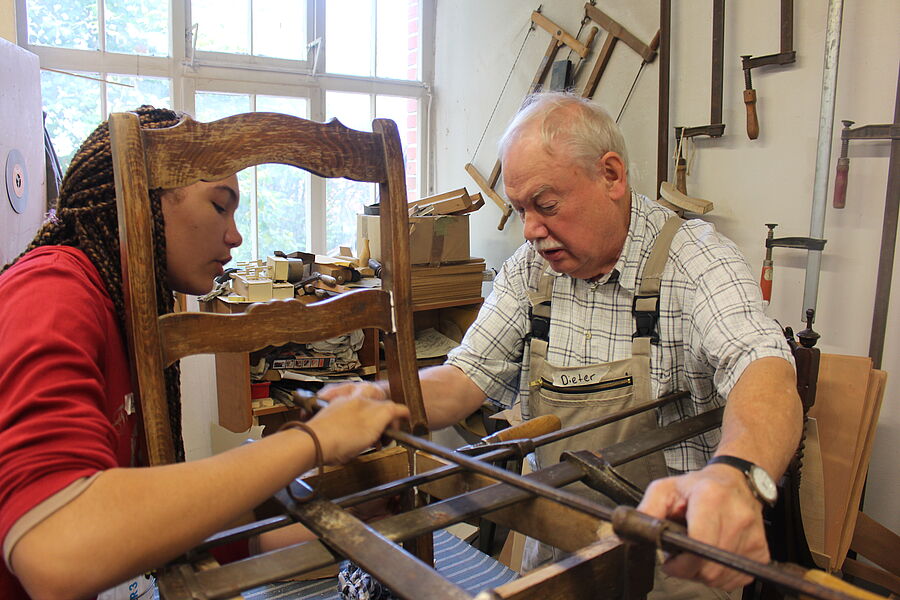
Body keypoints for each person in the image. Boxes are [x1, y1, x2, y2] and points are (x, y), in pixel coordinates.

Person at [321, 92, 802, 597]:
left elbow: (764, 371)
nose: (530, 229)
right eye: (522, 209)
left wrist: (735, 476)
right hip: (558, 555)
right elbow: (465, 377)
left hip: (672, 568)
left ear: (611, 176)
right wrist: (380, 401)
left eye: (546, 205)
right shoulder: (532, 270)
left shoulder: (696, 260)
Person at [0, 106, 410, 600]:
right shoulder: (52, 292)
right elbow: (56, 548)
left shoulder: (127, 306)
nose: (235, 235)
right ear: (147, 198)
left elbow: (153, 530)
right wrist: (310, 441)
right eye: (220, 206)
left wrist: (345, 522)